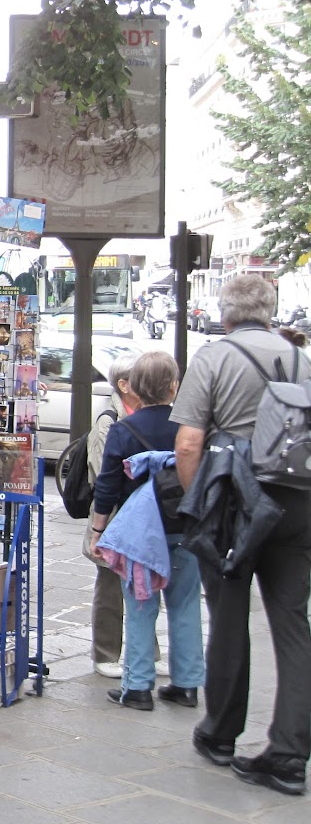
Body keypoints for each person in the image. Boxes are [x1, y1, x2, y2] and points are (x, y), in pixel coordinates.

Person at [173, 273, 311, 795]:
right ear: (270, 311)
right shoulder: (302, 358)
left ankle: (221, 733)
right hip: (296, 499)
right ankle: (290, 753)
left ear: (226, 313)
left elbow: (189, 442)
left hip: (234, 498)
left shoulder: (215, 357)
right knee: (293, 622)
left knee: (228, 613)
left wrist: (197, 504)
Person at [88, 353, 200, 711]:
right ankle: (186, 684)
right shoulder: (189, 427)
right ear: (173, 387)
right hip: (184, 526)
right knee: (184, 606)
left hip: (139, 534)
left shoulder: (123, 430)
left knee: (139, 606)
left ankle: (137, 687)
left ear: (134, 388)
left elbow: (106, 486)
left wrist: (97, 530)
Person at [84, 350, 144, 678]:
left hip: (138, 514)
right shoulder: (109, 420)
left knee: (144, 582)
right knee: (110, 585)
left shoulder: (145, 413)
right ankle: (106, 653)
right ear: (123, 384)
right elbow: (100, 472)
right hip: (114, 514)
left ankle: (147, 650)